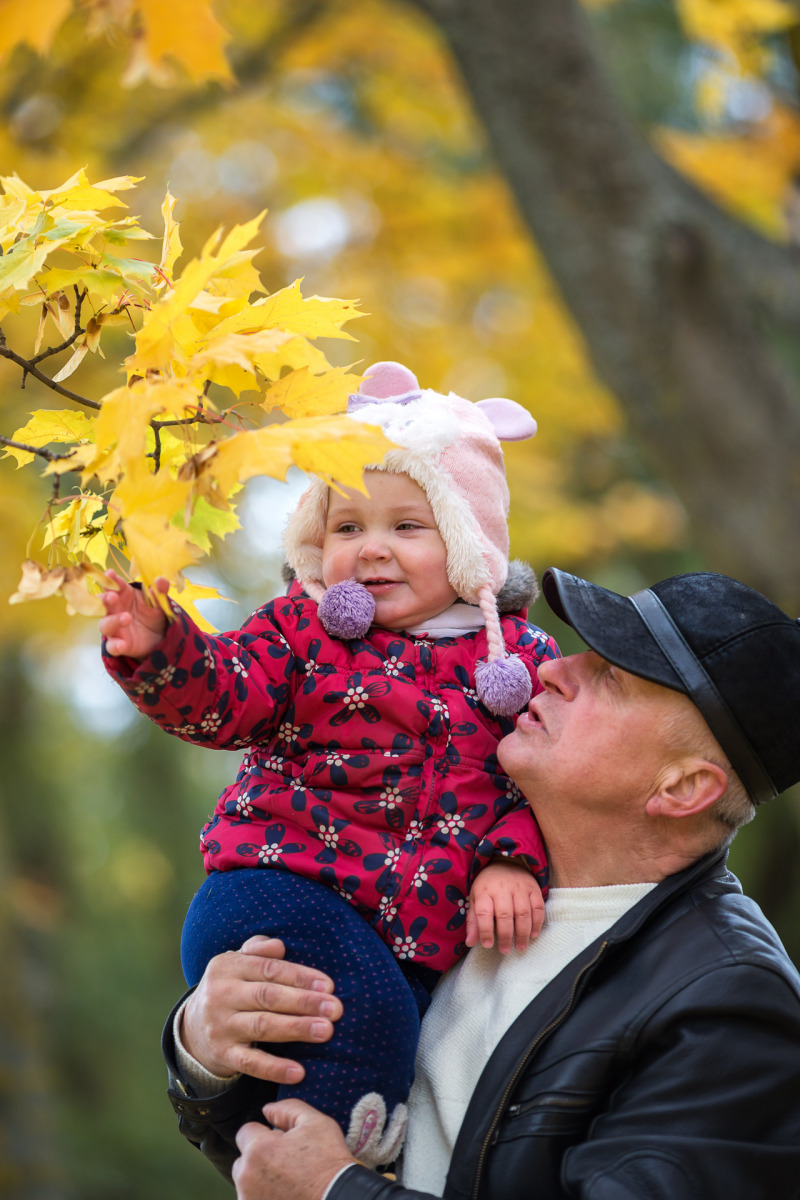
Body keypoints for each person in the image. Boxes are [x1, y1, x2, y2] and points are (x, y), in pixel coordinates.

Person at [163, 566, 800, 1200]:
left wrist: (337, 1192)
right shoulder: (439, 870)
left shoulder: (729, 1005)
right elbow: (301, 1147)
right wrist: (207, 1052)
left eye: (610, 676)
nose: (552, 669)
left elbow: (321, 1177)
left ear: (682, 787)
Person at [99, 361, 561, 1166]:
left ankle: (311, 1153)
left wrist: (509, 859)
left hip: (410, 935)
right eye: (347, 528)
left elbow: (545, 778)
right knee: (366, 1020)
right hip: (276, 889)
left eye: (406, 528)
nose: (371, 549)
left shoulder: (515, 661)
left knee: (381, 1034)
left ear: (467, 539)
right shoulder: (301, 635)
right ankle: (332, 1163)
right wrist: (163, 650)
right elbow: (224, 696)